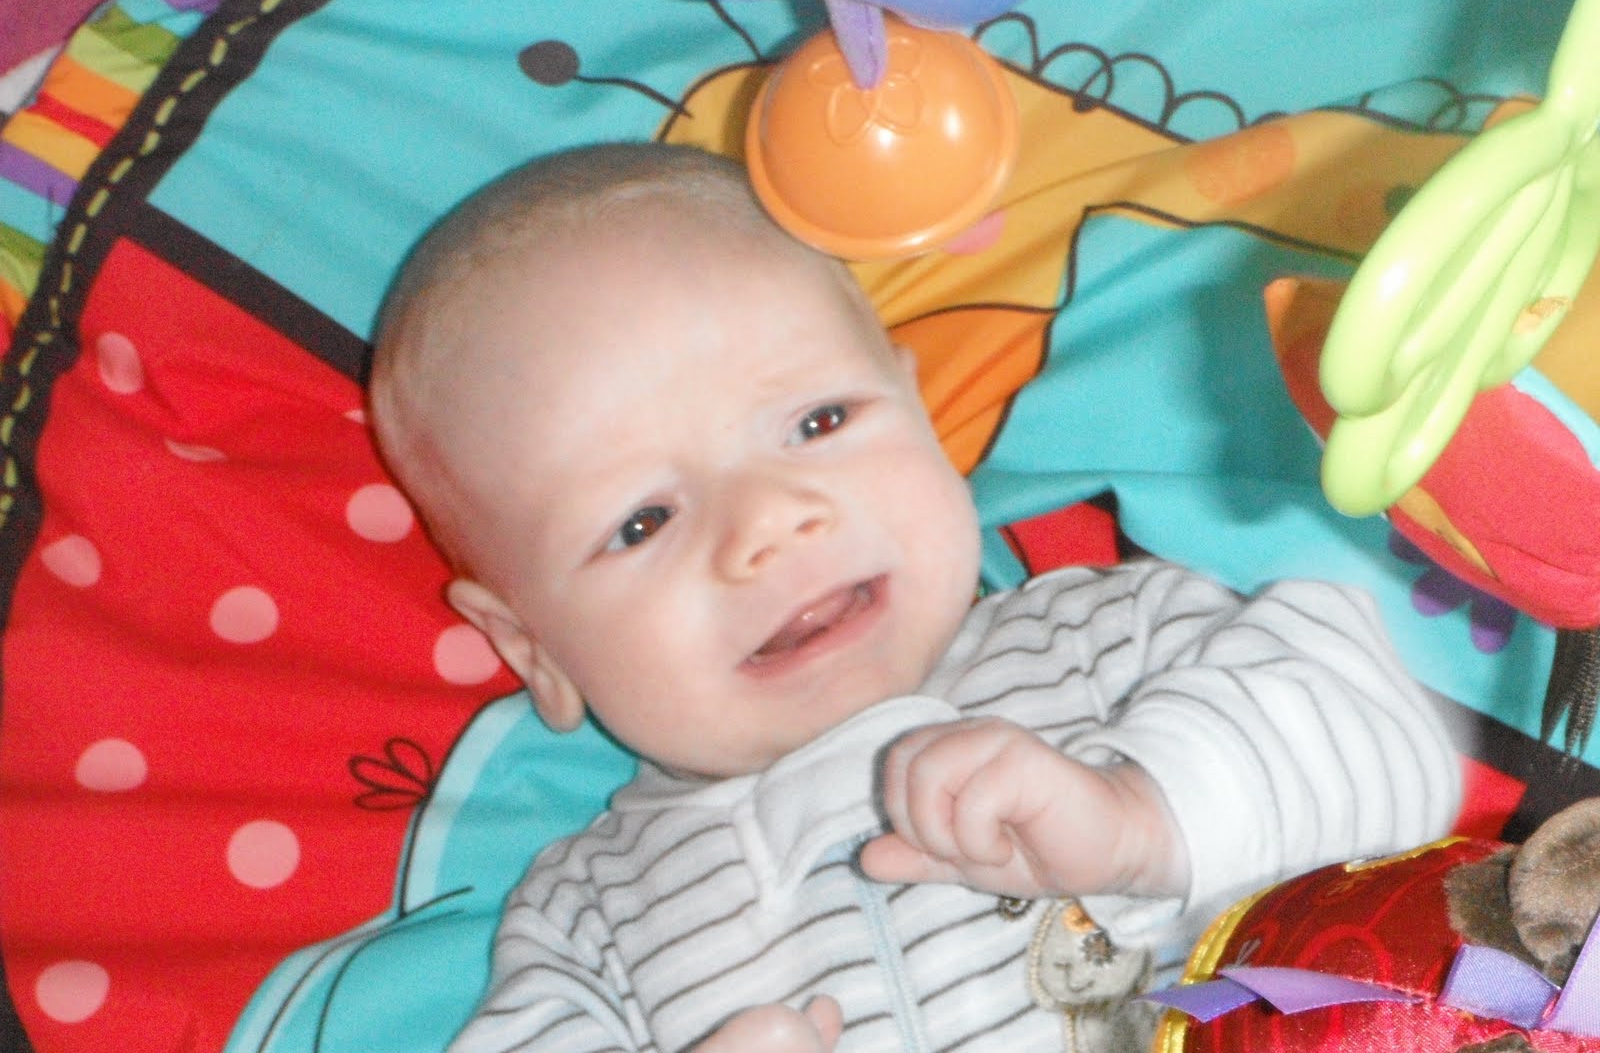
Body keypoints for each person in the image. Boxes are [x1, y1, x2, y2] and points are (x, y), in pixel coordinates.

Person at [368, 141, 1461, 1053]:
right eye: (642, 522)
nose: (767, 525)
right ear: (533, 649)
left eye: (818, 422)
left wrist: (1141, 819)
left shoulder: (1111, 639)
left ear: (919, 410)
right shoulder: (592, 923)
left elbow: (1391, 765)